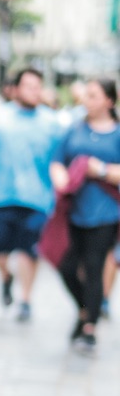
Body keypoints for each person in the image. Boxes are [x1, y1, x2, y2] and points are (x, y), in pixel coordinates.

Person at [0, 67, 62, 321]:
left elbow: (60, 161)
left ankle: (25, 299)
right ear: (16, 89)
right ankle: (6, 276)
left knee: (29, 251)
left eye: (37, 86)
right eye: (29, 86)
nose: (34, 91)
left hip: (38, 199)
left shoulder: (52, 123)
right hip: (1, 195)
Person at [50, 77, 120, 353]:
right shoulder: (74, 130)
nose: (87, 101)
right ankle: (84, 309)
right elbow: (57, 160)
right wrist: (61, 178)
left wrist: (100, 170)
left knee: (94, 266)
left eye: (93, 96)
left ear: (108, 101)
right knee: (66, 265)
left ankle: (89, 325)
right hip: (73, 209)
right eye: (86, 95)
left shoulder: (116, 133)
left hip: (105, 212)